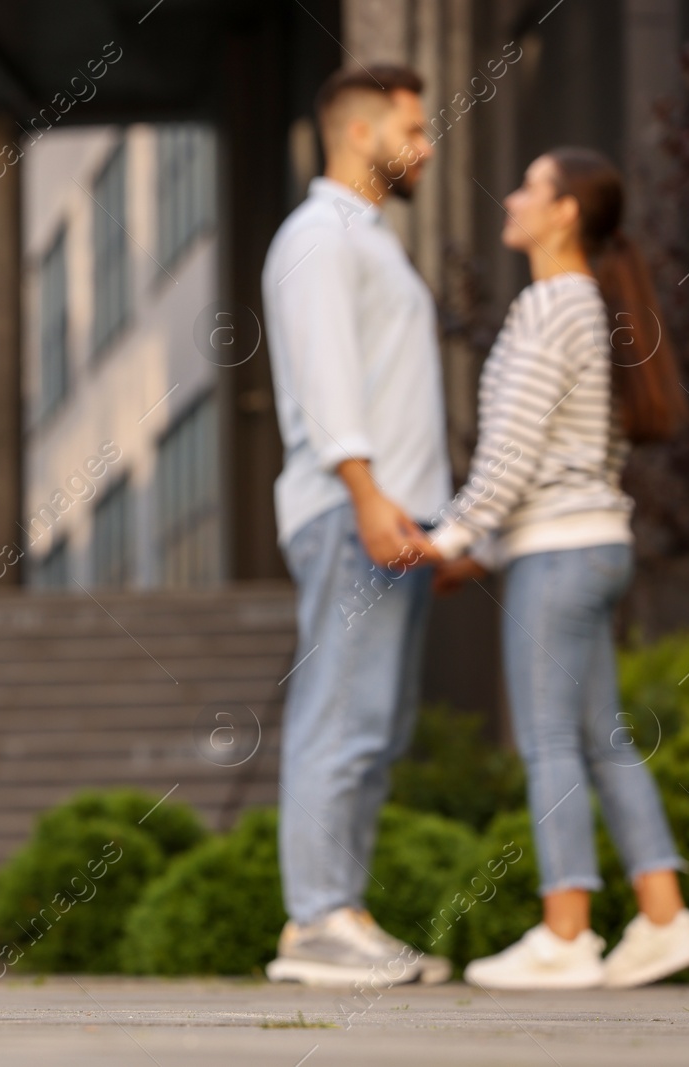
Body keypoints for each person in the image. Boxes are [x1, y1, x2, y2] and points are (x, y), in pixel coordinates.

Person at [418, 147, 689, 989]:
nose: (510, 197)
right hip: (594, 544)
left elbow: (510, 455)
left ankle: (567, 931)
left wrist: (450, 538)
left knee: (551, 740)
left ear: (565, 214)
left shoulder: (552, 307)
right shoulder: (593, 306)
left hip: (556, 551)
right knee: (601, 737)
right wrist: (473, 544)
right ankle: (664, 918)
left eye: (530, 187)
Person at [260, 64, 452, 988]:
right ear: (358, 131)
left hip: (390, 514)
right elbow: (332, 378)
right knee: (340, 711)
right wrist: (369, 496)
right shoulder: (319, 236)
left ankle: (342, 906)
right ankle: (315, 921)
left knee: (372, 719)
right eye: (411, 129)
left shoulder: (367, 240)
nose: (425, 146)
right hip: (352, 512)